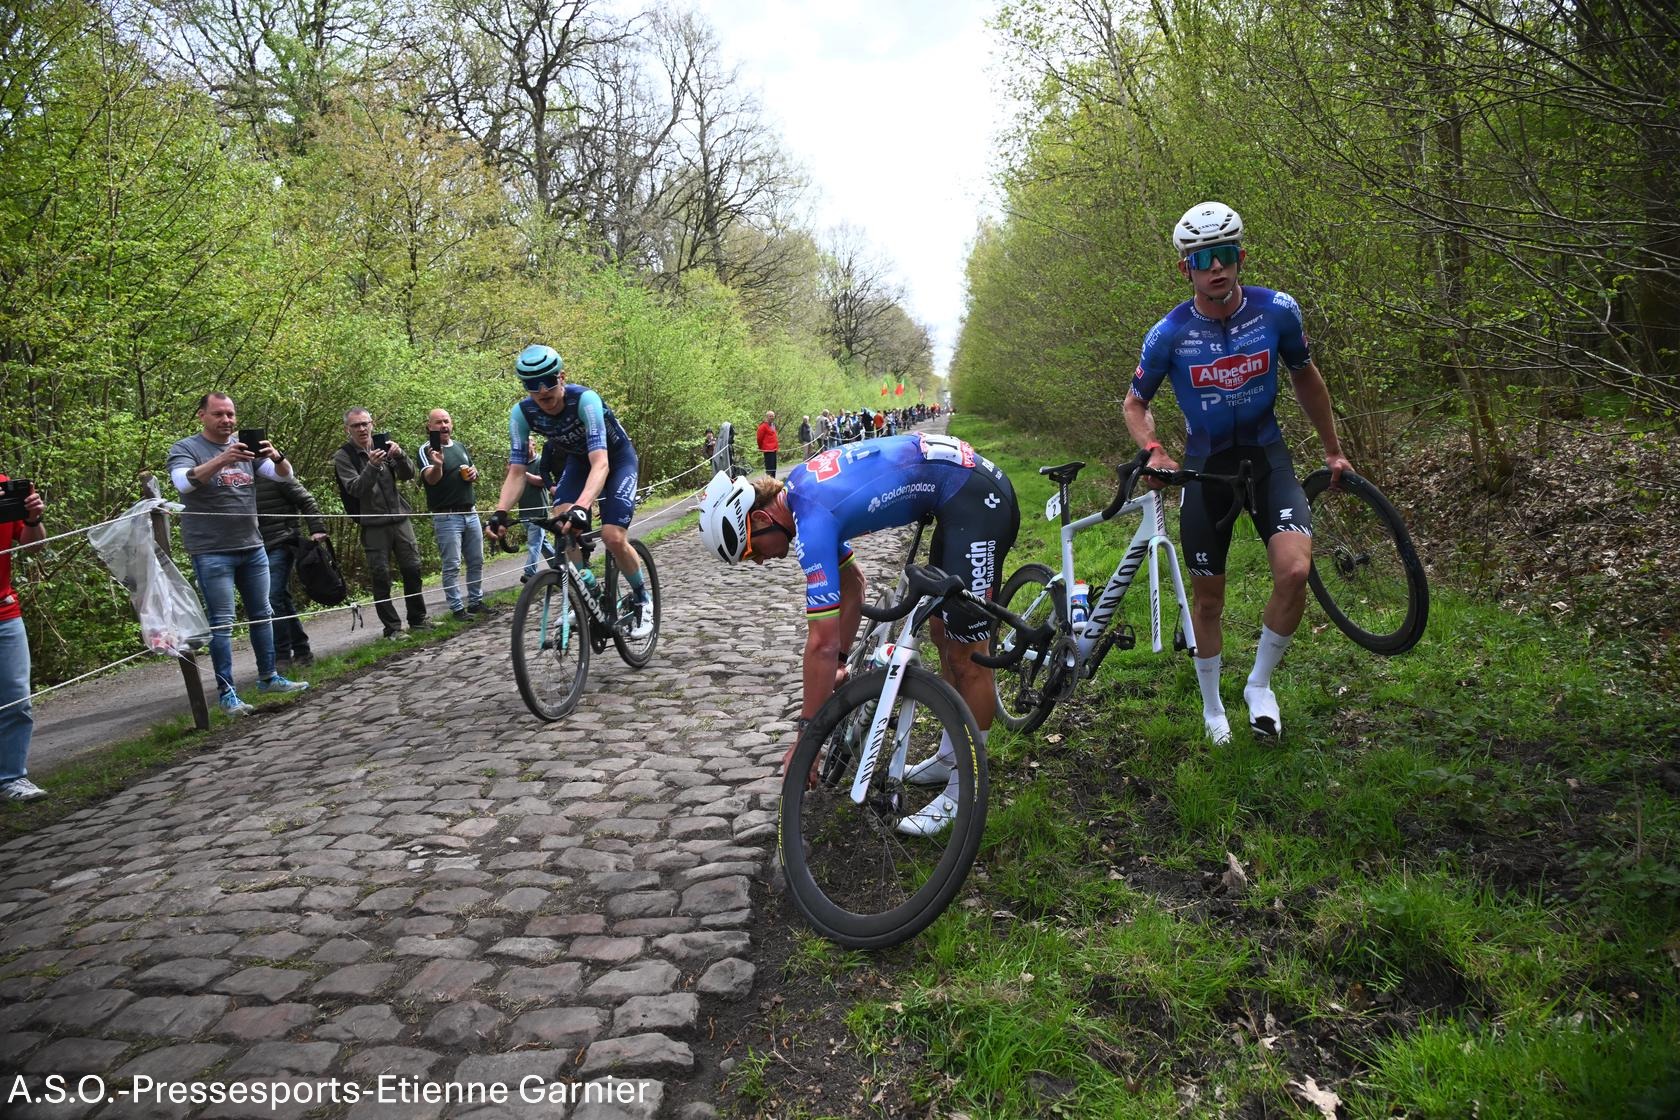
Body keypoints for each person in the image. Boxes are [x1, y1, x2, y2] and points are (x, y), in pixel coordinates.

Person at [697, 432, 1019, 837]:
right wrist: (841, 663)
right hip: (955, 496)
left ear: (761, 519)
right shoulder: (801, 496)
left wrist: (807, 740)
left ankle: (965, 791)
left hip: (974, 499)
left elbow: (820, 642)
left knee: (968, 656)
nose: (760, 561)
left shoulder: (811, 518)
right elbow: (853, 585)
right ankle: (949, 756)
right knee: (942, 633)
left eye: (751, 551)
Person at [1122, 201, 1351, 745]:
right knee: (1208, 601)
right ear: (1186, 268)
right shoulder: (1169, 333)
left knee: (1295, 571)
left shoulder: (1278, 311)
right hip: (1206, 472)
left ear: (1241, 256)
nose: (1216, 267)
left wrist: (1333, 450)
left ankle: (1258, 686)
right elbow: (1135, 403)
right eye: (1203, 259)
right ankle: (1211, 707)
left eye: (1225, 254)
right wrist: (1154, 450)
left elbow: (1306, 377)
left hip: (1268, 458)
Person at [485, 345, 652, 640]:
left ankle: (642, 599)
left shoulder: (585, 401)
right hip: (579, 462)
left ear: (561, 377)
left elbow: (601, 462)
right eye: (532, 385)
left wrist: (582, 506)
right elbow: (517, 471)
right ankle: (587, 592)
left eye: (548, 381)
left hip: (615, 459)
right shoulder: (523, 413)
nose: (542, 391)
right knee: (561, 523)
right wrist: (500, 511)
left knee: (613, 536)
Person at [166, 392, 311, 715]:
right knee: (222, 623)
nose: (226, 420)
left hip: (252, 544)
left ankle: (268, 677)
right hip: (211, 549)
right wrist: (223, 459)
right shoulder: (186, 448)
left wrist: (277, 456)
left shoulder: (244, 447)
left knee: (263, 614)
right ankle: (227, 693)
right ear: (202, 415)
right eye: (218, 414)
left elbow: (284, 475)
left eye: (230, 414)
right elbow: (183, 483)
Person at [333, 408, 431, 640]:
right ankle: (392, 628)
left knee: (413, 568)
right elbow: (355, 488)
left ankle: (418, 619)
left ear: (372, 424)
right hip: (373, 523)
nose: (362, 429)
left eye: (365, 424)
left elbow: (408, 474)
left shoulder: (383, 445)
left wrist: (400, 455)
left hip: (400, 518)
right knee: (380, 576)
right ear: (347, 429)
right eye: (356, 425)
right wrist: (373, 466)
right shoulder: (344, 456)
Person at [0, 474, 47, 800]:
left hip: (5, 611)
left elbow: (35, 545)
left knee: (17, 698)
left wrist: (32, 518)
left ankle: (12, 778)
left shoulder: (4, 485)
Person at [255, 470, 330, 669]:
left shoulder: (273, 471)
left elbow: (306, 499)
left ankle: (282, 655)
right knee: (281, 598)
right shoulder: (234, 479)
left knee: (271, 597)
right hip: (254, 548)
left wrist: (317, 528)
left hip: (282, 541)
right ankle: (302, 650)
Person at [418, 408, 485, 621]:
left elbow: (473, 471)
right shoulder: (426, 449)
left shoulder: (460, 446)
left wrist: (474, 474)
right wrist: (438, 465)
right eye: (438, 422)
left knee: (476, 560)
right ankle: (457, 608)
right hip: (446, 516)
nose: (443, 426)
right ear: (429, 426)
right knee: (452, 565)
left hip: (470, 513)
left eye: (446, 421)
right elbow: (431, 480)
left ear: (452, 423)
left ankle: (475, 602)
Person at [517, 468, 550, 584]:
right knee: (543, 544)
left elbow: (542, 481)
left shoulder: (540, 462)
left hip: (538, 513)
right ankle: (561, 566)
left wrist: (523, 473)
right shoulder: (520, 464)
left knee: (534, 543)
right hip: (524, 513)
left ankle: (529, 573)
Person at [756, 411, 779, 477]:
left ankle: (773, 481)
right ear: (767, 417)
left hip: (774, 449)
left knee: (774, 467)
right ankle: (768, 481)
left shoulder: (773, 425)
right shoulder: (763, 426)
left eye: (773, 416)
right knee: (769, 468)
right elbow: (759, 438)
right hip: (768, 450)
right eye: (770, 416)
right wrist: (760, 447)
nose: (772, 417)